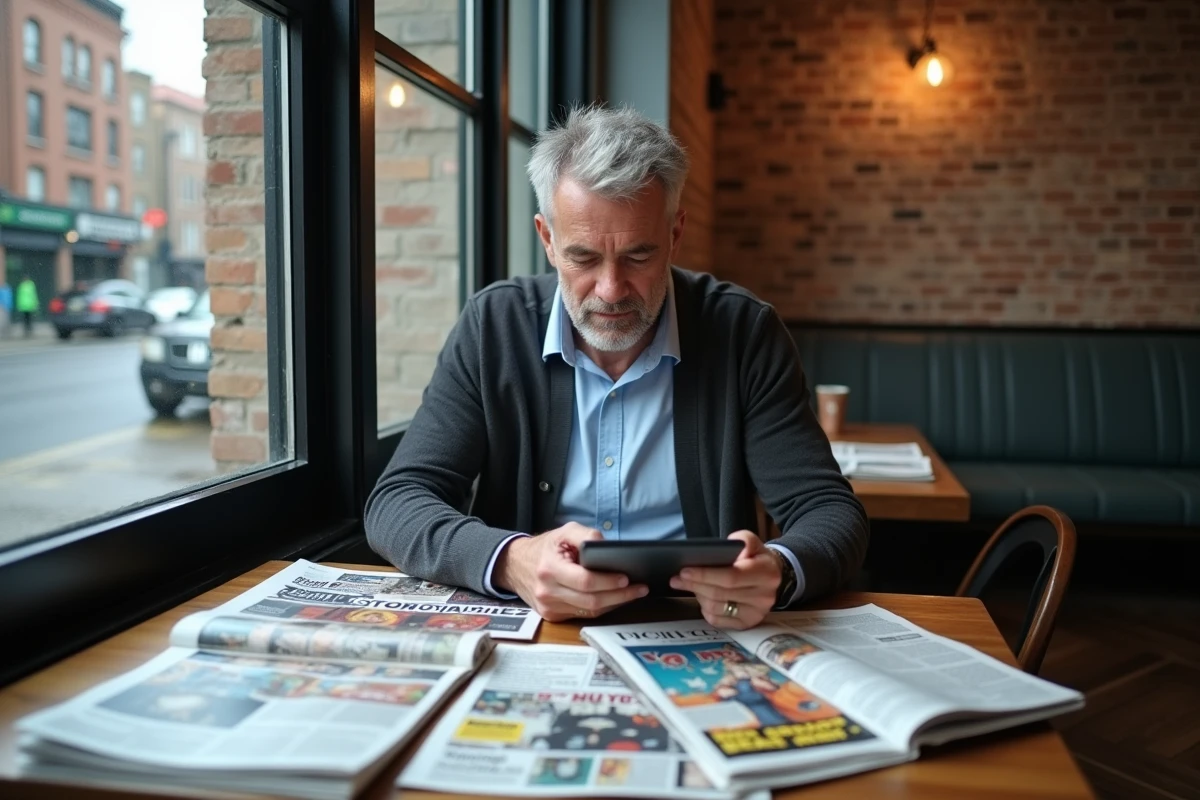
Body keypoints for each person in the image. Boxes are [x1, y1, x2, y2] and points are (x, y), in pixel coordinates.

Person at [365, 106, 868, 630]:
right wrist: (513, 561)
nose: (610, 290)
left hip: (705, 628)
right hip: (542, 632)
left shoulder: (744, 333)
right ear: (547, 239)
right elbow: (397, 502)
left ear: (675, 235)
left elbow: (830, 512)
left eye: (638, 256)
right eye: (583, 258)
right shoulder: (495, 325)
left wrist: (780, 571)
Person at [15, 274, 39, 338]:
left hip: (29, 305)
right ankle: (27, 331)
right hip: (25, 306)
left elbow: (33, 295)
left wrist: (35, 303)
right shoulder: (23, 286)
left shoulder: (29, 285)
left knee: (29, 319)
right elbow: (19, 296)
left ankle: (29, 330)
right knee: (26, 319)